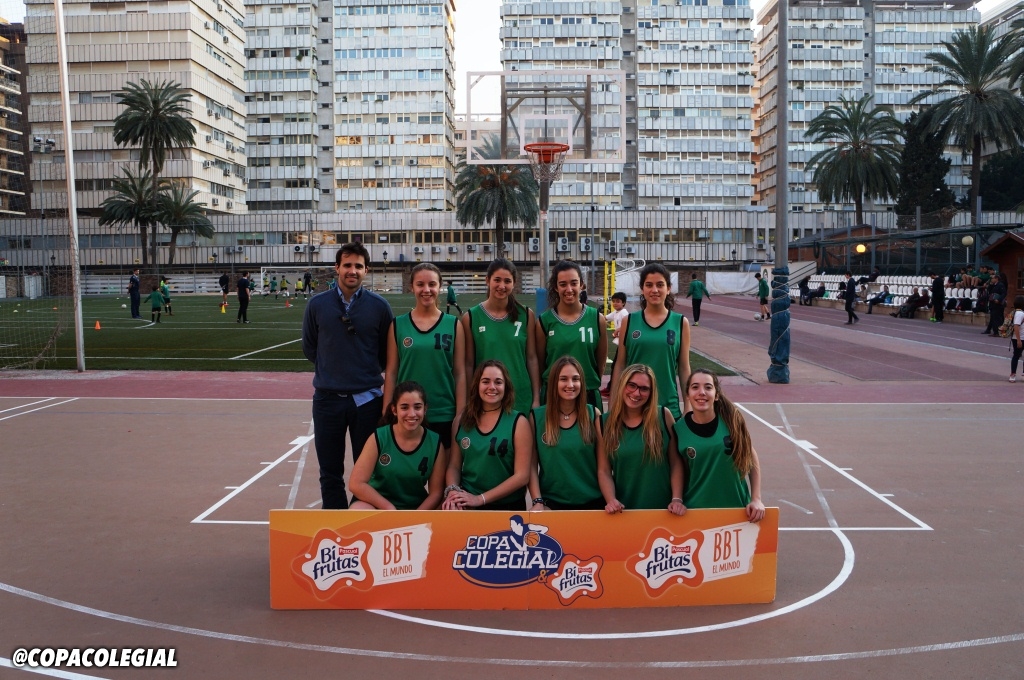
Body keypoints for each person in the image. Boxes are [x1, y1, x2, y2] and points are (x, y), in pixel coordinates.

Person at [302, 242, 394, 510]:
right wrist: (333, 369)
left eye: (358, 266)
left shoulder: (379, 306)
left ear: (366, 270)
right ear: (337, 268)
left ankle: (360, 520)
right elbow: (310, 347)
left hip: (367, 402)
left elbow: (386, 353)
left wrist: (362, 371)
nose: (352, 271)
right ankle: (336, 524)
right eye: (347, 265)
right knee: (330, 472)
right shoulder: (317, 304)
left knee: (368, 472)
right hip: (327, 401)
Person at [384, 263, 465, 450]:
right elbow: (392, 372)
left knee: (444, 468)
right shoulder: (398, 325)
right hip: (407, 413)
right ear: (411, 287)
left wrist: (460, 412)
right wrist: (387, 409)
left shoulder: (454, 325)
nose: (426, 290)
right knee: (408, 467)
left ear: (440, 287)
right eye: (420, 284)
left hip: (444, 413)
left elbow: (460, 373)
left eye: (432, 284)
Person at [674, 369, 765, 522]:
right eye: (695, 387)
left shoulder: (731, 420)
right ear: (687, 395)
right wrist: (677, 499)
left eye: (708, 387)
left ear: (716, 395)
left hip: (737, 508)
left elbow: (750, 455)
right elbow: (678, 469)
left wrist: (756, 498)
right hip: (695, 511)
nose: (702, 392)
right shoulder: (678, 429)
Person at [442, 360, 533, 511]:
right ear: (477, 385)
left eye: (498, 382)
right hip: (469, 504)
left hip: (508, 507)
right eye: (485, 381)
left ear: (506, 387)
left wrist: (481, 499)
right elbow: (454, 466)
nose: (492, 387)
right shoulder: (461, 420)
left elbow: (522, 476)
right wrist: (452, 490)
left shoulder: (519, 422)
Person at [598, 364, 684, 515]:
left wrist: (677, 499)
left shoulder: (663, 416)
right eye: (631, 385)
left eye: (644, 389)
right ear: (622, 385)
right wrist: (611, 500)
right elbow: (604, 470)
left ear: (651, 393)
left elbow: (676, 462)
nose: (636, 393)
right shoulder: (603, 422)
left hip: (665, 510)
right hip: (623, 511)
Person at [348, 382, 446, 510]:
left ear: (425, 409)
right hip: (379, 504)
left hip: (415, 508)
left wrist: (415, 517)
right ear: (394, 410)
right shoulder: (379, 437)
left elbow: (436, 493)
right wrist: (389, 508)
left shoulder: (435, 443)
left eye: (417, 407)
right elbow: (356, 484)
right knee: (359, 509)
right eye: (404, 407)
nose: (412, 414)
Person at [610, 262, 691, 419]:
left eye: (660, 285)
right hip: (633, 407)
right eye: (649, 285)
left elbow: (684, 368)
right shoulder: (629, 321)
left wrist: (688, 407)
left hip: (668, 408)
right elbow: (620, 365)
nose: (654, 290)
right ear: (642, 289)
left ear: (668, 288)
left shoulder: (681, 322)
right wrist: (613, 405)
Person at [463, 258, 541, 415]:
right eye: (497, 280)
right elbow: (469, 364)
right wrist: (469, 399)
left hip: (520, 395)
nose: (502, 286)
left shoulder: (526, 315)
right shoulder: (471, 317)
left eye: (507, 281)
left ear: (514, 283)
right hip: (487, 396)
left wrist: (536, 398)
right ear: (487, 280)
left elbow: (532, 358)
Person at [529, 356, 604, 511]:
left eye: (575, 379)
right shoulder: (537, 417)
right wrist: (537, 501)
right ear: (554, 382)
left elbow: (604, 468)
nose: (570, 385)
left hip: (592, 503)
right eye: (563, 379)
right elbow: (531, 466)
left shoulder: (593, 414)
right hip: (552, 504)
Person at [537, 260, 608, 407]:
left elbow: (600, 363)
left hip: (587, 393)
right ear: (556, 287)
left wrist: (588, 382)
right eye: (563, 284)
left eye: (573, 283)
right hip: (553, 395)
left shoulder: (597, 319)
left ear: (581, 285)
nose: (569, 289)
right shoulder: (544, 321)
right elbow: (540, 364)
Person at [602, 291, 630, 397]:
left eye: (618, 301)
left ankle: (613, 388)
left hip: (625, 343)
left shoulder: (624, 313)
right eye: (613, 301)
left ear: (623, 303)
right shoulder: (616, 312)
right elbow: (605, 318)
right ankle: (612, 387)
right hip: (620, 343)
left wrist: (619, 329)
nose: (615, 303)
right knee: (616, 365)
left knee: (618, 366)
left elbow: (628, 324)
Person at [1009, 295, 1024, 383]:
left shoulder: (1015, 312)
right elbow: (1016, 326)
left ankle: (1015, 374)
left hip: (1019, 337)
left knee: (1016, 355)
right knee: (1016, 356)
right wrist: (1019, 340)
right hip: (1020, 338)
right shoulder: (1020, 314)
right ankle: (1013, 374)